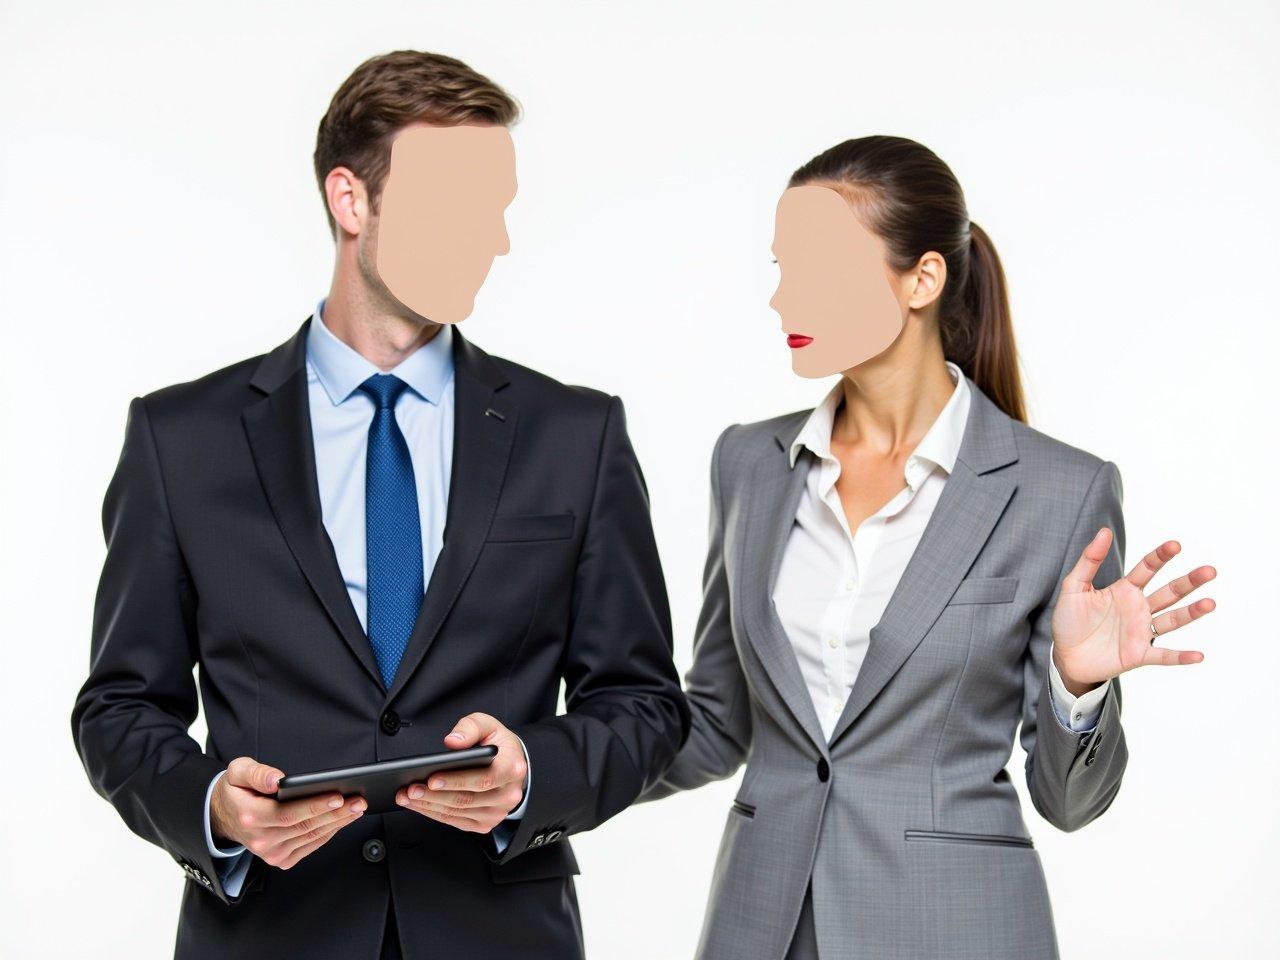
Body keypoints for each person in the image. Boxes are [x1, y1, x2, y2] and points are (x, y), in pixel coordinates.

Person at [71, 49, 688, 960]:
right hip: (274, 933)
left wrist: (532, 776)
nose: (497, 240)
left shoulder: (575, 434)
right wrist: (212, 807)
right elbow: (120, 707)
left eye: (500, 210)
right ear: (351, 201)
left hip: (499, 933)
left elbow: (643, 702)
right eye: (461, 208)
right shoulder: (182, 439)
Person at [641, 135, 1216, 960]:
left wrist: (1076, 686)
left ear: (924, 278)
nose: (781, 301)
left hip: (958, 931)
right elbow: (716, 724)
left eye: (816, 270)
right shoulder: (748, 464)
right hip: (760, 929)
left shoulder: (1059, 492)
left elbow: (1070, 802)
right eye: (780, 268)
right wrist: (542, 769)